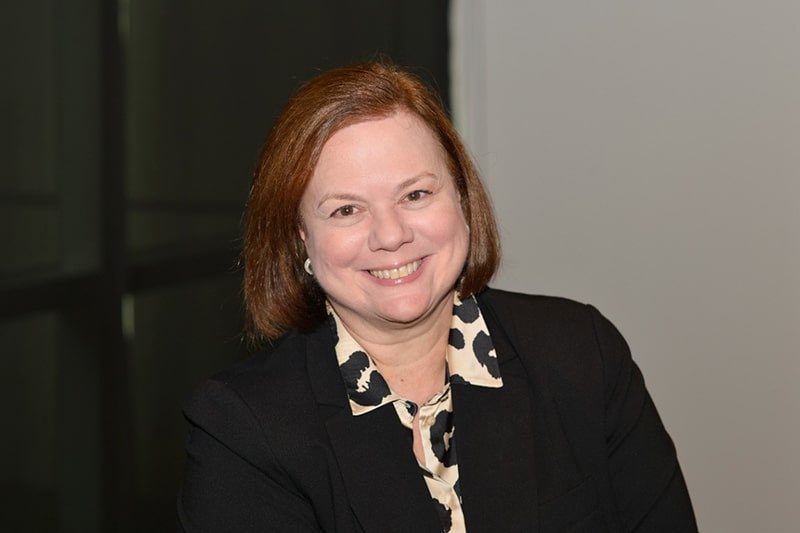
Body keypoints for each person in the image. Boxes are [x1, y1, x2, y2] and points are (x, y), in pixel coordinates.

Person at [178, 61, 697, 532]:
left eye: (415, 194)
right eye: (346, 210)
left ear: (462, 199)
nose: (390, 235)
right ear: (301, 240)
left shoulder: (581, 355)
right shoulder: (244, 428)